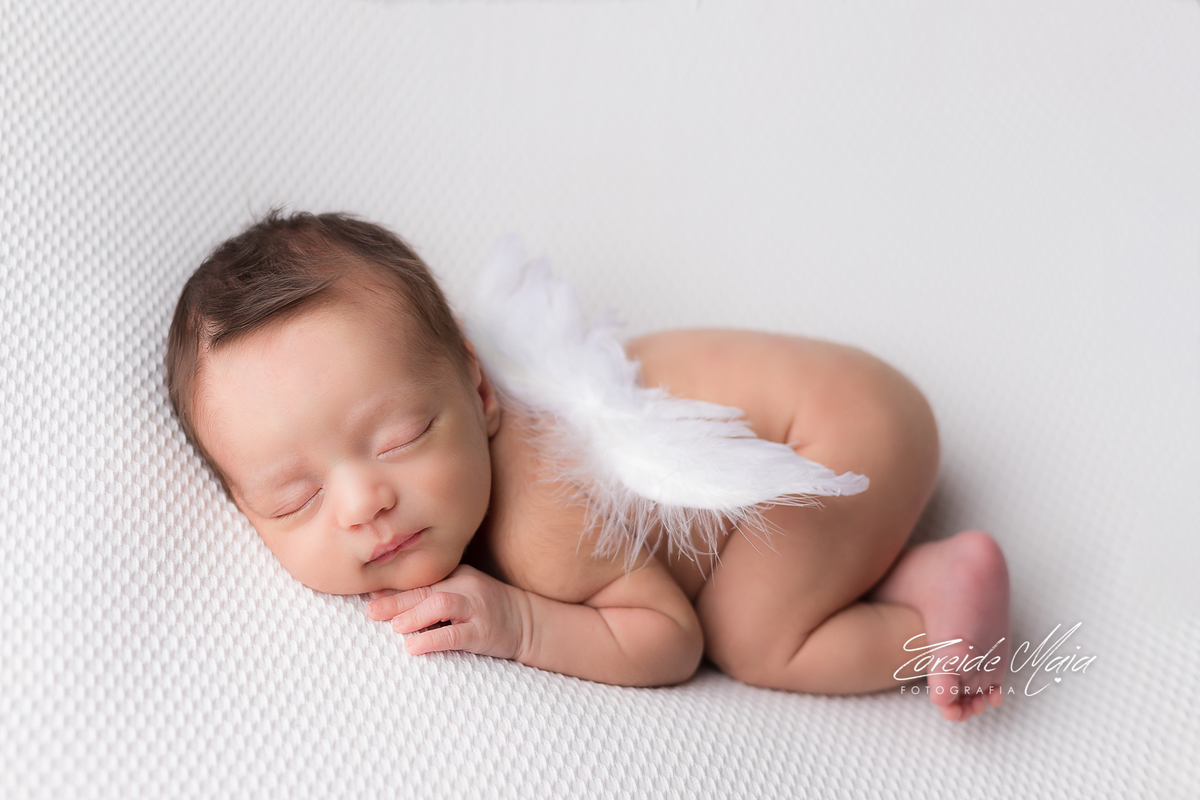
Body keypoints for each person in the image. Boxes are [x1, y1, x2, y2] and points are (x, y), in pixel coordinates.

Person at [165, 210, 1011, 722]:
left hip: (844, 434)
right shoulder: (450, 475)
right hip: (834, 408)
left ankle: (940, 625)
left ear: (479, 389)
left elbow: (670, 641)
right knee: (771, 577)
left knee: (752, 638)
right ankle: (906, 569)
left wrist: (520, 623)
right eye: (294, 497)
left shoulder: (539, 515)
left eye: (400, 436)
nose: (362, 502)